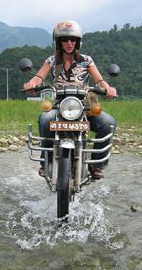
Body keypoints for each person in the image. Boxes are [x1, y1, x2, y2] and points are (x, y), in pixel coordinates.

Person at [23, 20, 117, 179]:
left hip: (85, 107)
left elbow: (100, 81)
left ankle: (96, 165)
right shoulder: (51, 61)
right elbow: (39, 78)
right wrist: (31, 84)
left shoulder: (86, 61)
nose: (69, 43)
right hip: (60, 107)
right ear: (58, 42)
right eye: (65, 39)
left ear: (78, 41)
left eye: (72, 39)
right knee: (45, 119)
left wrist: (108, 88)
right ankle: (46, 163)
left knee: (109, 123)